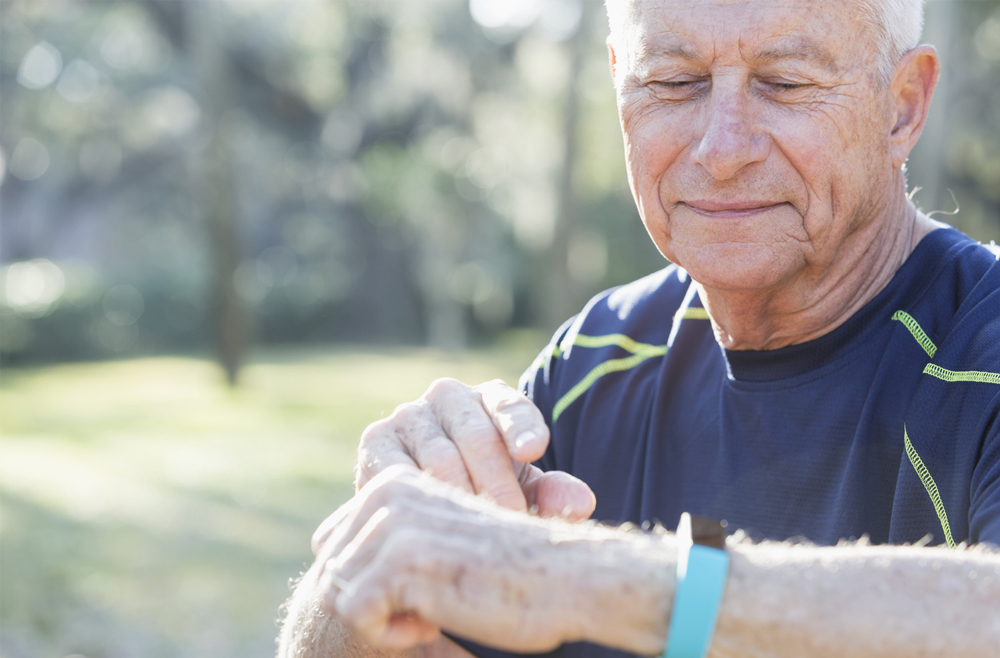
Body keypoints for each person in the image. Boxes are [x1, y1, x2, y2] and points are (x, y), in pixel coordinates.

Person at [277, 0, 1000, 656]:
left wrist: (596, 582)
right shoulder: (597, 360)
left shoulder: (981, 350)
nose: (722, 150)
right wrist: (368, 551)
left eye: (784, 83)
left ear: (902, 107)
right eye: (675, 82)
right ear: (622, 88)